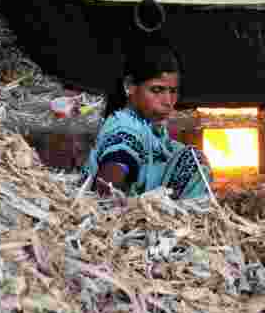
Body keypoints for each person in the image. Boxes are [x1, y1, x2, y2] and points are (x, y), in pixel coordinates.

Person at [84, 38, 213, 199]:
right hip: (130, 220)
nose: (167, 101)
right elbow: (109, 179)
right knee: (190, 160)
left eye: (173, 91)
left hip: (153, 216)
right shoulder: (126, 128)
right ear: (129, 86)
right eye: (157, 90)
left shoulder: (151, 129)